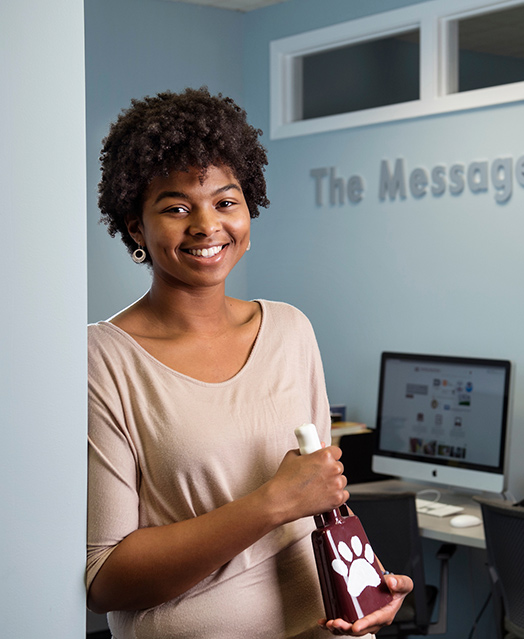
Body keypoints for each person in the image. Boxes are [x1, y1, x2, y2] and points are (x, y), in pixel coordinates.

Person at [86, 87, 412, 639]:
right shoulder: (102, 359)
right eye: (175, 207)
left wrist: (367, 586)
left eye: (225, 201)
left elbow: (321, 502)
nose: (206, 225)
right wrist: (268, 503)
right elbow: (106, 580)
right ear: (135, 226)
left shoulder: (290, 329)